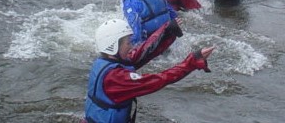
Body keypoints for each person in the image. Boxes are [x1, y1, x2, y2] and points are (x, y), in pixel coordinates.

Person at [84, 18, 214, 123]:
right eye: (127, 43)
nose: (131, 46)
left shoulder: (104, 62)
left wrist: (166, 31)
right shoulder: (115, 78)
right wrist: (191, 62)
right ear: (113, 46)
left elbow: (142, 52)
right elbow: (159, 80)